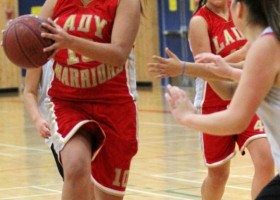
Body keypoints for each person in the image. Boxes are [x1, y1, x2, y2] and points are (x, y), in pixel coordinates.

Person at [148, 0, 274, 199]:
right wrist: (240, 57)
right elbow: (209, 71)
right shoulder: (199, 21)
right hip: (213, 98)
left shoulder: (241, 10)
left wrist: (234, 63)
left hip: (246, 92)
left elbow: (254, 57)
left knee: (265, 159)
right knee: (218, 174)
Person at [23, 0, 142, 199]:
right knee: (76, 165)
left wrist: (70, 41)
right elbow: (34, 40)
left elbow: (119, 55)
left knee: (106, 195)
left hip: (114, 105)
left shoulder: (126, 2)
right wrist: (20, 40)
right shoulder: (55, 2)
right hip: (68, 101)